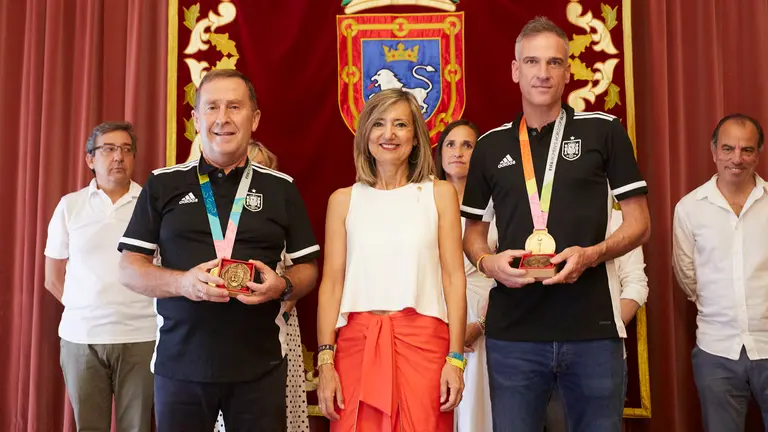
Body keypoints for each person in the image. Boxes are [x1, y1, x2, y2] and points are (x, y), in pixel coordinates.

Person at [461, 16, 650, 432]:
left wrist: (592, 255)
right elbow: (473, 233)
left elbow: (639, 223)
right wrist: (488, 263)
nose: (542, 73)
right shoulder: (490, 145)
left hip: (593, 331)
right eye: (531, 62)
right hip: (513, 335)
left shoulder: (605, 132)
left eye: (553, 62)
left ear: (568, 70)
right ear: (515, 71)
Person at [117, 69, 320, 431]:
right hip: (180, 367)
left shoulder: (282, 188)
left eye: (234, 106)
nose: (222, 118)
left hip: (260, 368)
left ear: (254, 119)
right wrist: (183, 284)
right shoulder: (163, 183)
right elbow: (130, 268)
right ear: (196, 120)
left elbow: (308, 268)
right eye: (212, 107)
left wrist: (283, 287)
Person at [316, 89, 467, 431]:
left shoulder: (439, 194)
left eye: (400, 124)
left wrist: (455, 359)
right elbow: (332, 284)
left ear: (415, 138)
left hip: (425, 348)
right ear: (365, 134)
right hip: (357, 346)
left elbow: (454, 280)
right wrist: (326, 362)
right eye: (379, 124)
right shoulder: (343, 200)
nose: (389, 134)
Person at [44, 121, 156, 431]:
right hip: (82, 338)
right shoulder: (70, 206)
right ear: (90, 159)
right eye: (108, 149)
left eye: (126, 149)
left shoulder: (152, 204)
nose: (118, 156)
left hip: (140, 335)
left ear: (133, 158)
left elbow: (163, 270)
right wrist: (87, 308)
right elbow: (52, 278)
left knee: (137, 426)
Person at [673, 114, 768, 432]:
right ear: (713, 151)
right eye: (728, 148)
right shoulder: (689, 208)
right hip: (716, 351)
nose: (736, 159)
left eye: (746, 150)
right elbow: (687, 273)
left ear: (759, 153)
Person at [213, 139, 310, 432]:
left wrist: (284, 297)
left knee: (275, 413)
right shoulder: (213, 218)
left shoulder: (280, 209)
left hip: (274, 321)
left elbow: (301, 268)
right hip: (218, 330)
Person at [544, 207, 650, 431]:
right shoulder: (539, 218)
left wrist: (602, 331)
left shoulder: (622, 221)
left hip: (601, 355)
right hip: (542, 353)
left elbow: (636, 285)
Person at [433, 119, 496, 432]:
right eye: (451, 144)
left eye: (468, 145)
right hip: (434, 318)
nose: (458, 152)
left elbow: (514, 272)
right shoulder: (422, 202)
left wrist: (481, 325)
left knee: (475, 410)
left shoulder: (495, 204)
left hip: (484, 320)